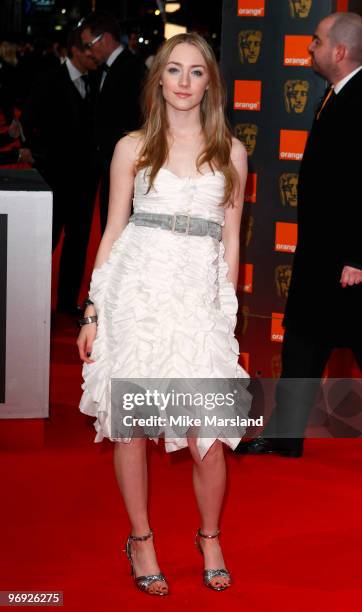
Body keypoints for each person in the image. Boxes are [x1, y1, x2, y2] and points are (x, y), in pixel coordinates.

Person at [77, 32, 251, 595]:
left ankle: (209, 535)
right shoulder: (133, 148)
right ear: (158, 80)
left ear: (210, 84)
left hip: (197, 302)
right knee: (130, 427)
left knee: (210, 435)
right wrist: (93, 310)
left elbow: (231, 241)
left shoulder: (232, 154)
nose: (183, 82)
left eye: (195, 72)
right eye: (172, 70)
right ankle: (142, 537)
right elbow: (113, 232)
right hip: (137, 296)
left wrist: (224, 313)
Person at [235, 12, 362, 459]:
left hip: (348, 262)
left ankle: (286, 435)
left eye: (316, 41)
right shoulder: (335, 95)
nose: (309, 48)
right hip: (322, 255)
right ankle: (286, 436)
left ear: (340, 52)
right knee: (303, 341)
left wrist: (358, 256)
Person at [20, 28, 99, 315]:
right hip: (54, 180)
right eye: (89, 49)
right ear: (74, 51)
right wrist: (42, 157)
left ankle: (66, 305)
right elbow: (28, 120)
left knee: (78, 245)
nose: (94, 55)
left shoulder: (94, 80)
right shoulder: (49, 79)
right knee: (47, 242)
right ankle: (32, 304)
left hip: (85, 181)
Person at [79, 12, 146, 231]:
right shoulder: (100, 71)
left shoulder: (134, 68)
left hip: (127, 167)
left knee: (120, 230)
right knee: (109, 224)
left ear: (106, 38)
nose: (88, 52)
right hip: (106, 165)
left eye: (90, 44)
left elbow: (140, 119)